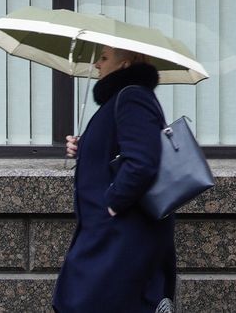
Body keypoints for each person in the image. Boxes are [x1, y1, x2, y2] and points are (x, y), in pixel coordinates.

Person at [52, 46, 176, 313]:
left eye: (104, 58)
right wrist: (83, 146)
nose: (97, 64)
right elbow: (119, 151)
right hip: (110, 236)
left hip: (120, 237)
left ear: (124, 64)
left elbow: (142, 161)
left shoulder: (132, 97)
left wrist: (113, 203)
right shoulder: (121, 99)